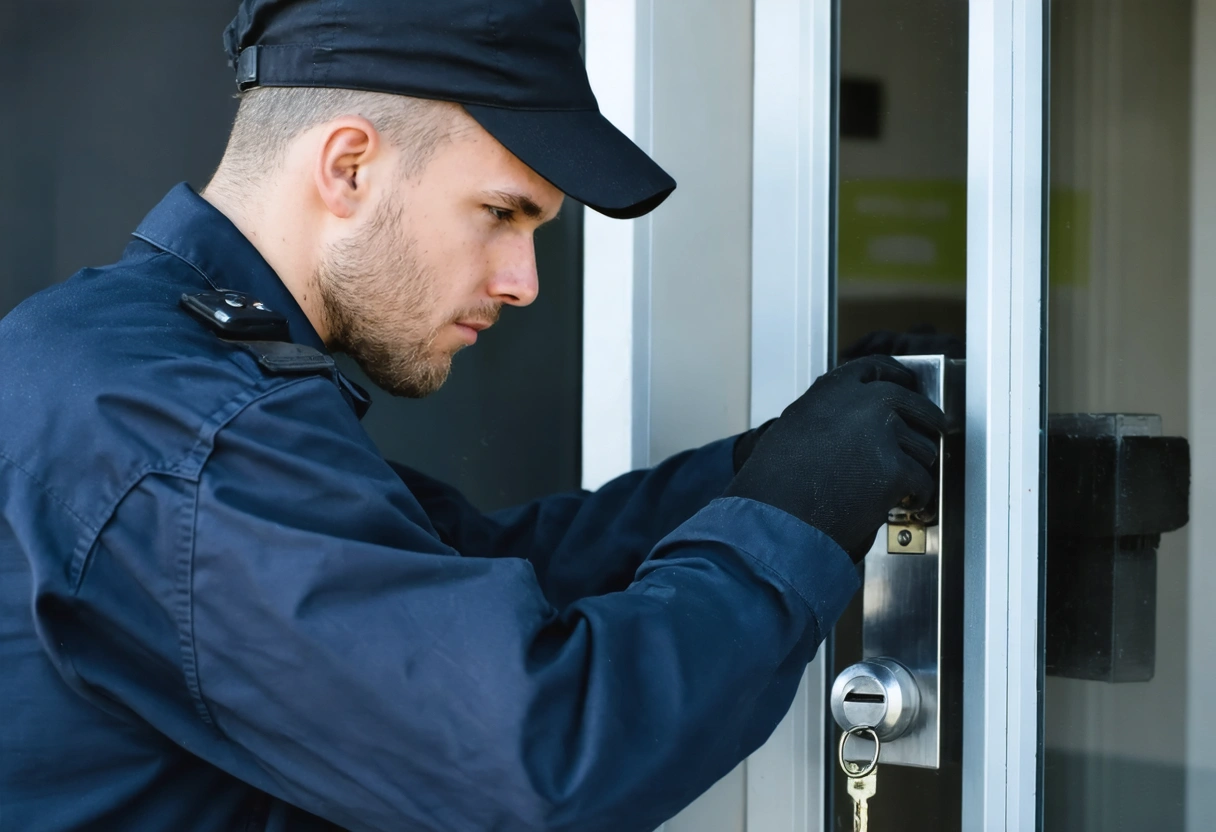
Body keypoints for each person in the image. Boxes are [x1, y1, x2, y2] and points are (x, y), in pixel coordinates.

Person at [0, 1, 946, 830]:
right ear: (349, 167)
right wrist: (793, 516)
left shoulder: (144, 368)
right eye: (499, 213)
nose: (523, 282)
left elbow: (474, 570)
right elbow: (540, 759)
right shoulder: (183, 435)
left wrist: (777, 464)